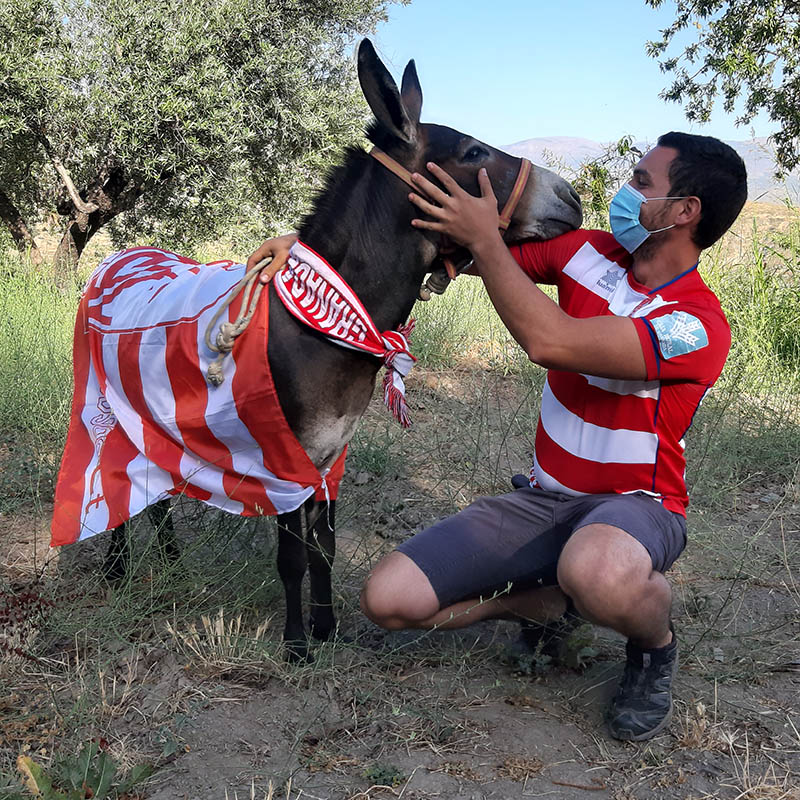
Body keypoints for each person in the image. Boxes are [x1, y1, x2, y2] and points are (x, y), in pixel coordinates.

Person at [248, 132, 747, 742]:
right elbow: (441, 248)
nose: (623, 191)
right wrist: (306, 249)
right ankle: (542, 602)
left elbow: (551, 341)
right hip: (543, 499)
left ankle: (653, 645)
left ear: (684, 212)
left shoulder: (696, 325)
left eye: (642, 183)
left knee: (599, 571)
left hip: (637, 509)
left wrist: (486, 234)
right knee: (388, 600)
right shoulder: (585, 253)